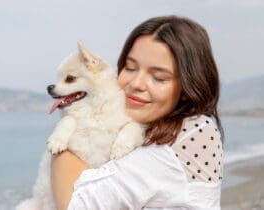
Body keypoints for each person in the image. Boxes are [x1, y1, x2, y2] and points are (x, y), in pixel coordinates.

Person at [51, 15, 224, 210]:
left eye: (158, 78)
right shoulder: (154, 128)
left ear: (187, 88)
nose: (136, 84)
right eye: (130, 67)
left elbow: (76, 205)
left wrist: (64, 137)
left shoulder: (194, 131)